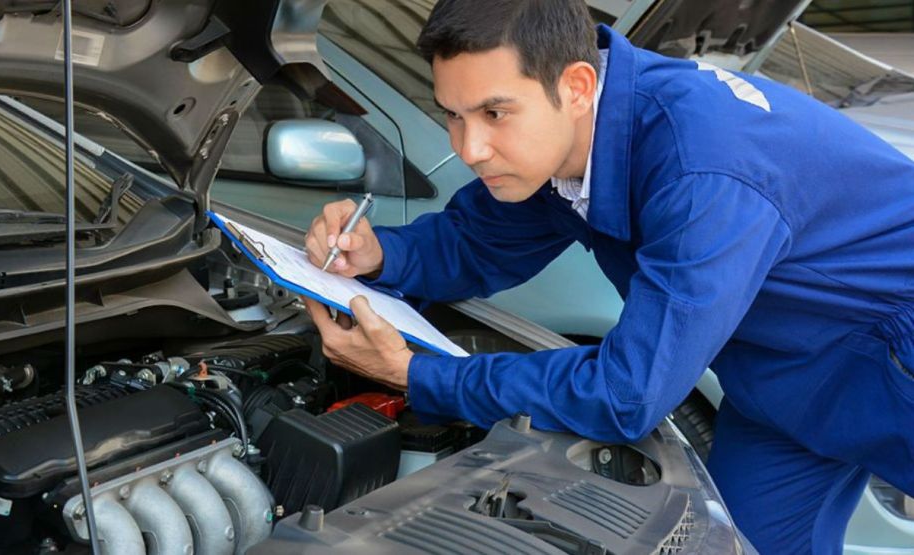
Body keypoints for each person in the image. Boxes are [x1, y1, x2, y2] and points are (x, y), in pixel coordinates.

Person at [302, 1, 914, 552]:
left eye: (494, 112)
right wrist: (379, 254)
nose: (471, 148)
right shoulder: (571, 141)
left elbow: (626, 394)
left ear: (576, 85)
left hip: (895, 357)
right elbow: (477, 243)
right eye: (455, 117)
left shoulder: (701, 172)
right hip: (780, 380)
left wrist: (417, 374)